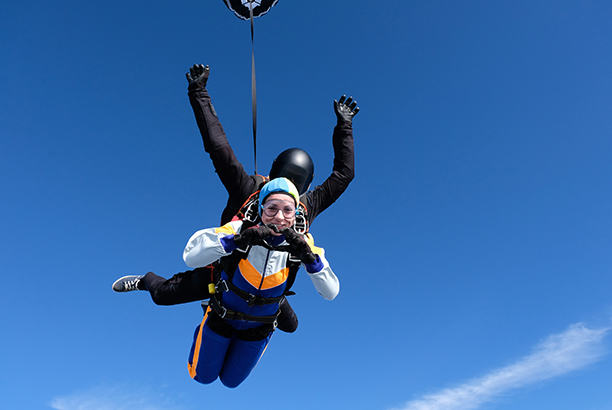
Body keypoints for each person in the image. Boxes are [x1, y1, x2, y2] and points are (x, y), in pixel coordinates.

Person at [112, 64, 358, 332]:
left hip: (269, 285)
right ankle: (146, 279)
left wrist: (345, 126)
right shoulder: (248, 189)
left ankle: (257, 304)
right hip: (226, 271)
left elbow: (344, 176)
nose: (281, 214)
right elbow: (218, 148)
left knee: (291, 325)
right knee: (161, 295)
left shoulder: (303, 207)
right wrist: (198, 93)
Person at [185, 178, 339, 387]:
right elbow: (191, 256)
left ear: (295, 214)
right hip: (223, 317)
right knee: (203, 376)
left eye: (287, 210)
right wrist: (236, 241)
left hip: (259, 328)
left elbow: (331, 292)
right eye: (271, 209)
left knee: (231, 381)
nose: (279, 217)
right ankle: (204, 315)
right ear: (261, 209)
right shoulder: (240, 228)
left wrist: (311, 261)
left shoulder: (302, 243)